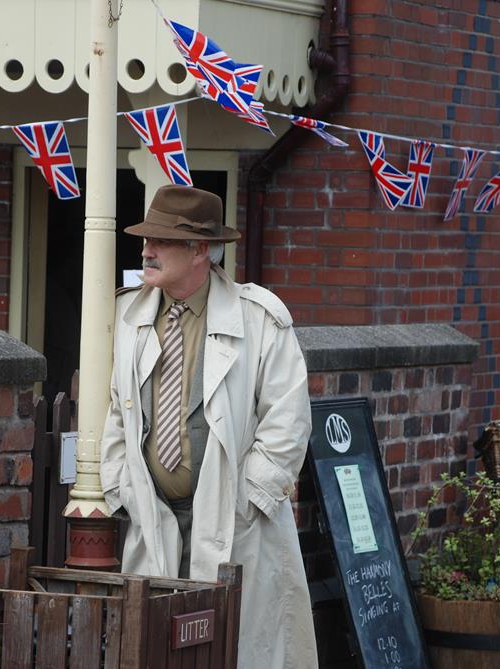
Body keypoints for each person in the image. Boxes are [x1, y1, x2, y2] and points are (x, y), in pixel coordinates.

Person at [100, 185, 317, 667]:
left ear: (200, 249)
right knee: (158, 649)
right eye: (147, 239)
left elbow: (288, 420)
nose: (146, 250)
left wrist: (247, 501)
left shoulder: (259, 318)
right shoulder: (127, 315)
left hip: (236, 522)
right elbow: (117, 410)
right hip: (154, 517)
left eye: (161, 241)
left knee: (236, 649)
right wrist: (121, 489)